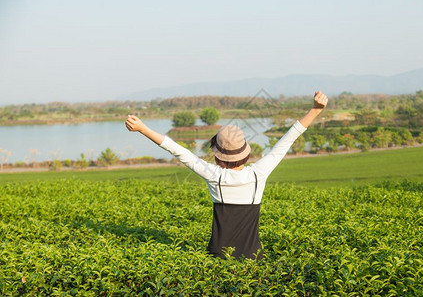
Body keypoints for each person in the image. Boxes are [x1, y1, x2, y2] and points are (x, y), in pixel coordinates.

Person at [125, 91, 328, 260]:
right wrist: (316, 110)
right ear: (246, 154)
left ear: (217, 157)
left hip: (218, 256)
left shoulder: (215, 176)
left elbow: (177, 150)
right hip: (252, 256)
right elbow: (288, 138)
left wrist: (143, 128)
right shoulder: (259, 174)